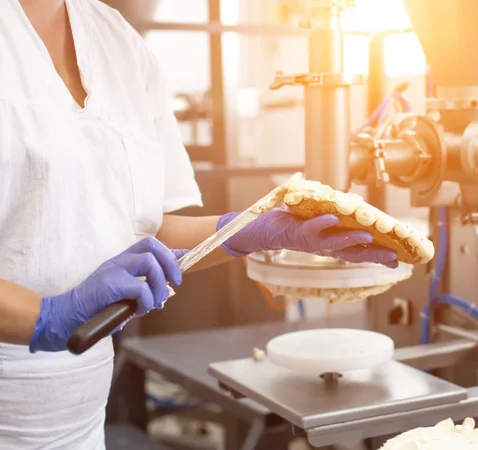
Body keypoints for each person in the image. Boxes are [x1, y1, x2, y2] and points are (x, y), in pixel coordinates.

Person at [0, 0, 399, 448]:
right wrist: (46, 317)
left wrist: (247, 231)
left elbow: (149, 229)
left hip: (80, 419)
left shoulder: (118, 43)